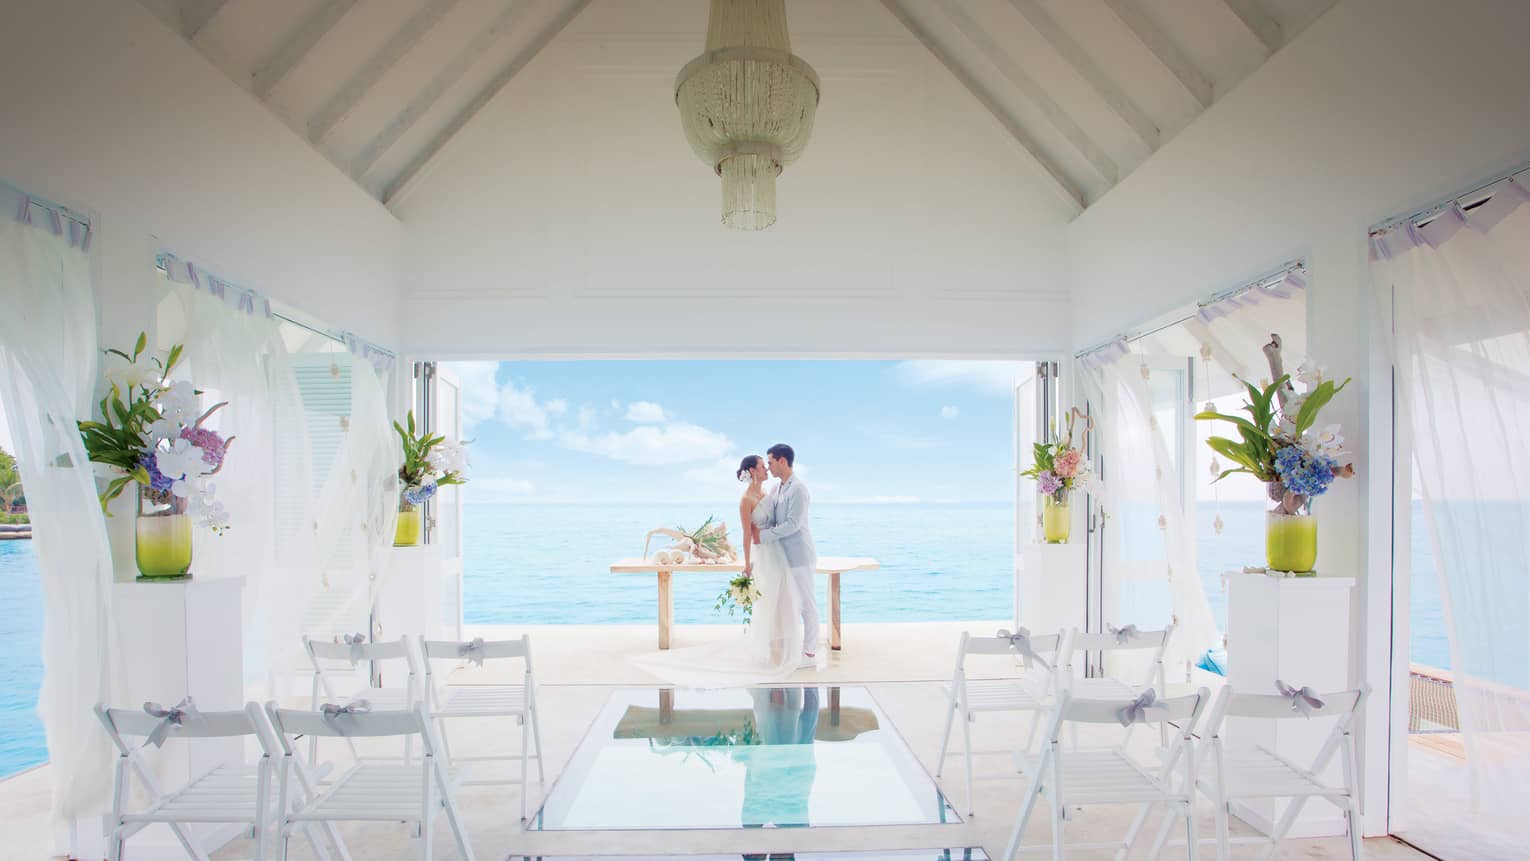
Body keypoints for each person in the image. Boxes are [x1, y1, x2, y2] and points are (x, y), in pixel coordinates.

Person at [629, 454, 802, 688]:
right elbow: (746, 534)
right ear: (751, 471)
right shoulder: (746, 499)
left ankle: (782, 653)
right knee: (767, 604)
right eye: (762, 466)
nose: (766, 470)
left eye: (766, 465)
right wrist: (748, 564)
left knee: (783, 603)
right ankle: (771, 657)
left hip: (778, 553)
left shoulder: (769, 493)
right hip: (763, 554)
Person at [758, 443, 820, 668]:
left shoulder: (799, 489)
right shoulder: (777, 488)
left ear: (783, 461)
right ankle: (790, 649)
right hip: (781, 557)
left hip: (799, 554)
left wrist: (762, 537)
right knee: (789, 604)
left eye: (771, 462)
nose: (768, 467)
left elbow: (793, 525)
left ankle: (810, 653)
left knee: (806, 604)